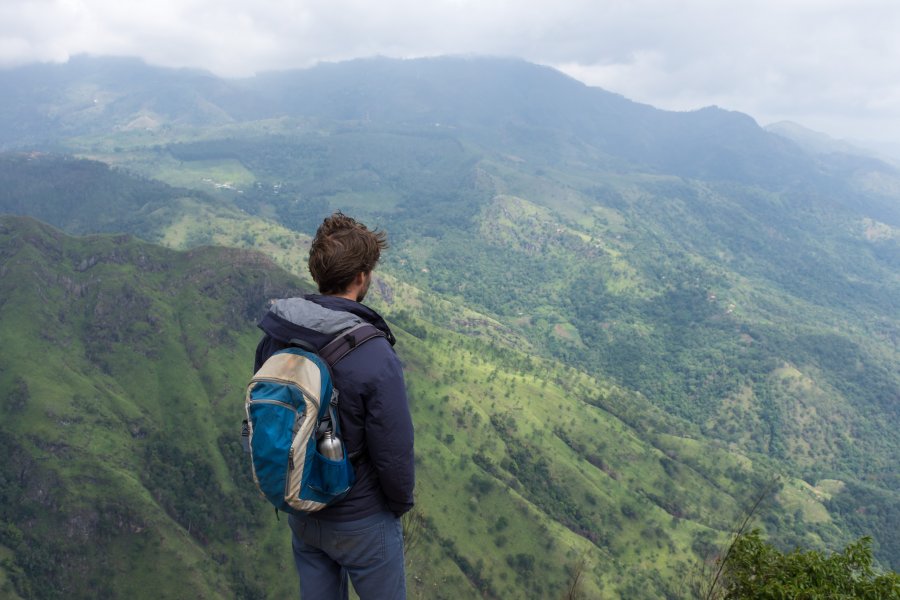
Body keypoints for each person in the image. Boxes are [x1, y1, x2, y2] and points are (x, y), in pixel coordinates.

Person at [254, 212, 415, 600]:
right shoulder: (374, 354)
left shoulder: (277, 336)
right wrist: (396, 506)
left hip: (303, 510)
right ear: (361, 278)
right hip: (362, 520)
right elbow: (393, 449)